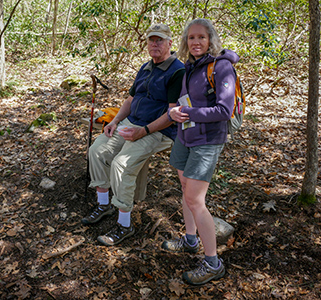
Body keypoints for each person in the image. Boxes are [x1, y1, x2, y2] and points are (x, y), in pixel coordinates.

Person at [81, 24, 185, 246]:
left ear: (169, 43)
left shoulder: (177, 71)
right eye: (151, 40)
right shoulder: (145, 68)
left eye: (160, 40)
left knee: (121, 164)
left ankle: (125, 224)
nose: (155, 44)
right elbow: (130, 100)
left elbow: (172, 113)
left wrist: (143, 131)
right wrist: (115, 121)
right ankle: (103, 204)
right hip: (131, 122)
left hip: (157, 129)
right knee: (97, 150)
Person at [162, 18, 239, 285]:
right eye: (191, 38)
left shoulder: (222, 67)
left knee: (195, 199)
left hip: (207, 139)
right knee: (185, 188)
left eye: (201, 38)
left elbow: (224, 110)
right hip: (186, 136)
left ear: (210, 40)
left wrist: (187, 112)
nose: (196, 42)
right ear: (186, 42)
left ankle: (213, 262)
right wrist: (175, 112)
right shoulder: (189, 67)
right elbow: (183, 103)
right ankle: (190, 239)